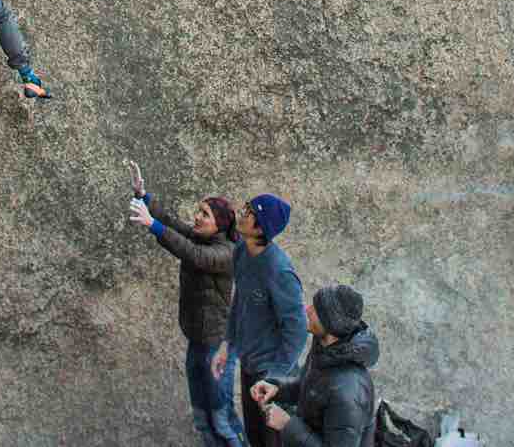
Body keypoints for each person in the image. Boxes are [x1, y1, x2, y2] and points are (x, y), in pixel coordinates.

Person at [125, 160, 247, 447]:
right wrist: (144, 196)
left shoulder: (225, 252)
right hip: (197, 338)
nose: (197, 217)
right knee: (202, 418)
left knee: (222, 419)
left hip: (217, 346)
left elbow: (189, 253)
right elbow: (173, 224)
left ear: (220, 223)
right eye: (198, 211)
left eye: (204, 214)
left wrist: (151, 225)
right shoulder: (203, 238)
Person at [211, 194, 308, 447]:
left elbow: (297, 331)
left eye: (249, 211)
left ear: (260, 227)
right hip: (250, 367)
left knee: (273, 441)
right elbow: (240, 300)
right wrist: (227, 344)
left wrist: (275, 377)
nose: (241, 213)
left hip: (273, 376)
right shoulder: (242, 251)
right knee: (254, 437)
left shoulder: (279, 271)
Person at [250, 285, 379, 447]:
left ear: (330, 323)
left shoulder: (349, 390)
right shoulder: (325, 348)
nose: (307, 309)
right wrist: (277, 389)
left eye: (316, 309)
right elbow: (311, 388)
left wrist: (288, 425)